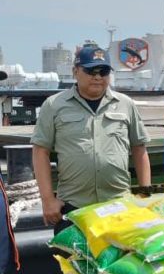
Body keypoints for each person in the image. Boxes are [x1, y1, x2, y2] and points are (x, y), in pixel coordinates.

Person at [31, 45, 151, 234]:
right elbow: (40, 151)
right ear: (75, 72)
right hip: (73, 207)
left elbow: (139, 148)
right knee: (72, 254)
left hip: (119, 205)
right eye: (90, 71)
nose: (97, 77)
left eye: (103, 72)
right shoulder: (54, 105)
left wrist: (145, 193)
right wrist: (47, 200)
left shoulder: (125, 104)